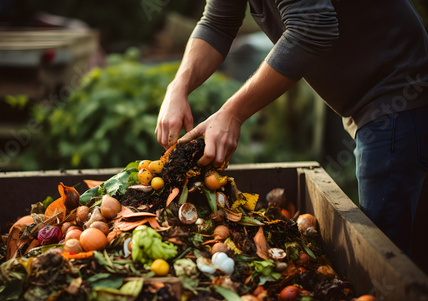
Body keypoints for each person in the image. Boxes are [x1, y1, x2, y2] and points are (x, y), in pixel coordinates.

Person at [155, 0, 428, 257]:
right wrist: (178, 86)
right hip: (374, 105)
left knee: (386, 261)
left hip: (398, 95)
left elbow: (312, 26)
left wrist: (233, 114)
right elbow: (217, 23)